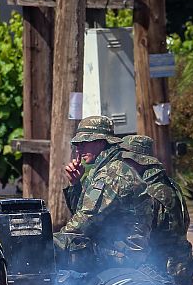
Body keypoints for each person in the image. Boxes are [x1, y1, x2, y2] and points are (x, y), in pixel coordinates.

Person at [54, 116, 154, 273]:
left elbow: (85, 221)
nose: (78, 149)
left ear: (101, 142)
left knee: (60, 254)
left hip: (124, 256)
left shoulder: (112, 173)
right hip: (112, 250)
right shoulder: (102, 169)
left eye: (84, 143)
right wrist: (76, 184)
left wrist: (47, 244)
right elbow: (83, 214)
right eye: (77, 144)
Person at [120, 134, 193, 285]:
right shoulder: (169, 185)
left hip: (163, 277)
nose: (123, 166)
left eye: (126, 161)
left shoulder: (150, 192)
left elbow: (139, 238)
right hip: (180, 273)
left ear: (138, 161)